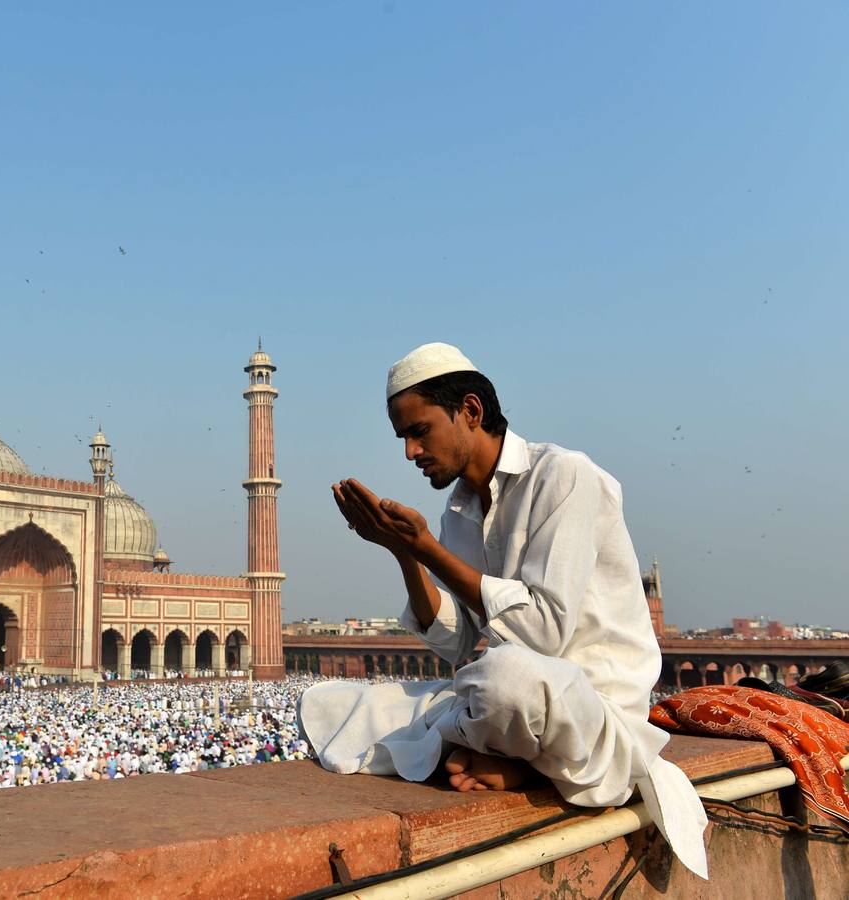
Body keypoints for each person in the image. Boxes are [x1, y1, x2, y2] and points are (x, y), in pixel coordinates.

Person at [302, 342, 708, 878]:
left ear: (470, 410)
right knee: (332, 702)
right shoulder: (458, 514)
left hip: (584, 702)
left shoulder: (563, 477)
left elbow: (542, 632)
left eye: (419, 430)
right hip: (512, 696)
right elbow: (457, 640)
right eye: (403, 437)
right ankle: (509, 757)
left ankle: (516, 764)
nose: (410, 452)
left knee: (504, 678)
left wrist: (428, 549)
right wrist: (407, 555)